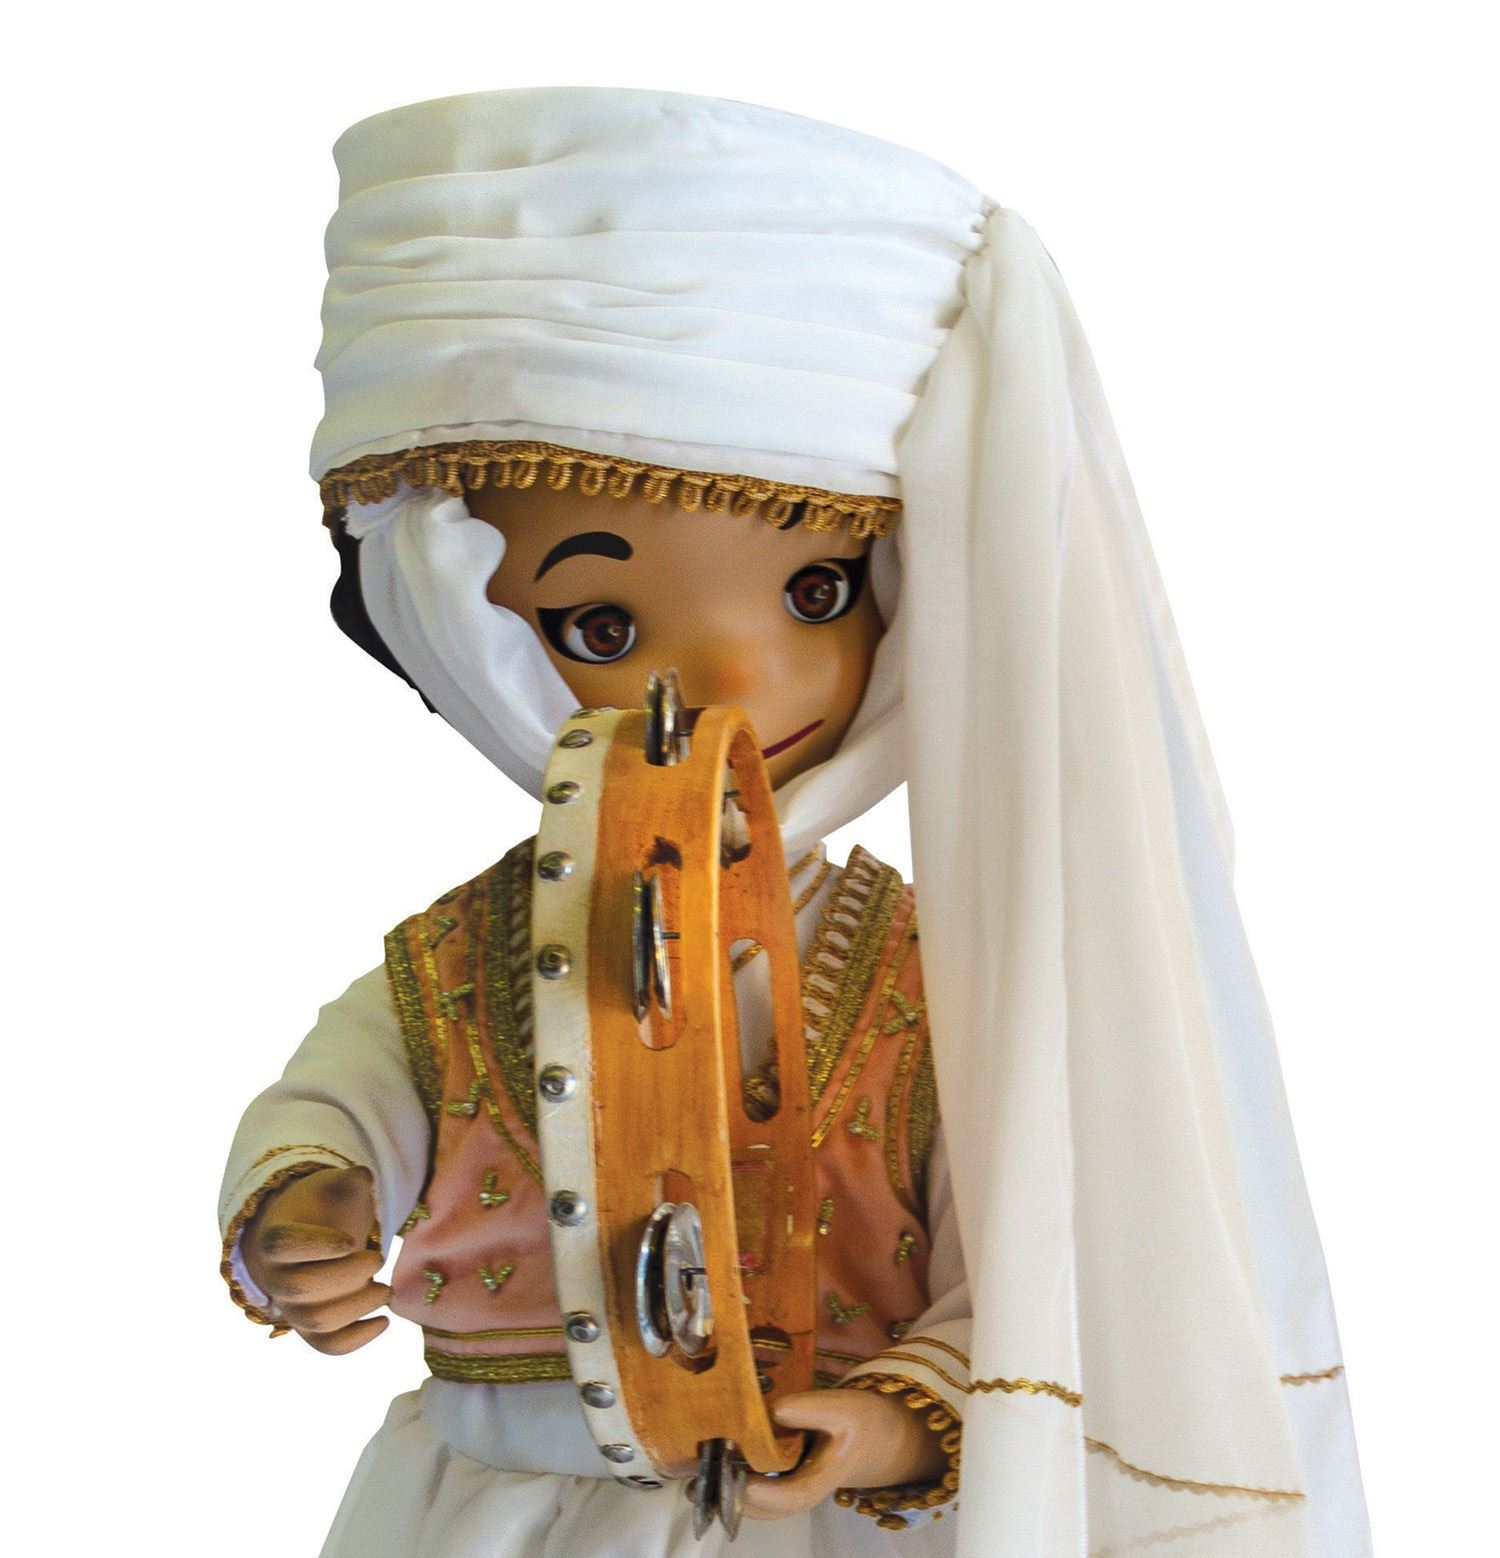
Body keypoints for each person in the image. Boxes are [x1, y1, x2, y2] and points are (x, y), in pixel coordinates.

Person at [219, 87, 1372, 1557]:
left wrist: (900, 1417)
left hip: (829, 1518)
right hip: (501, 1514)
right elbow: (342, 1099)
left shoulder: (934, 974)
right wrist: (305, 1204)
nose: (732, 681)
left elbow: (1026, 1256)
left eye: (814, 594)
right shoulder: (460, 958)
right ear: (454, 629)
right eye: (599, 622)